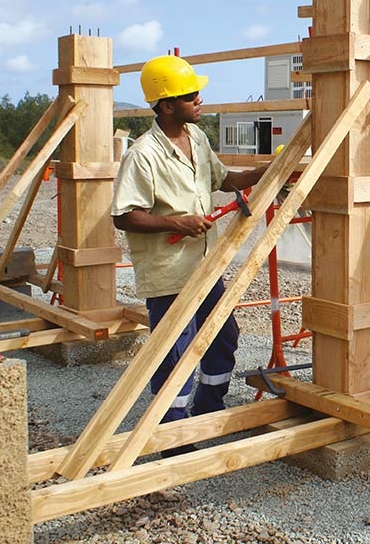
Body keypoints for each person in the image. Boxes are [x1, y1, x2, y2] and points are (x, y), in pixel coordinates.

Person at [111, 55, 267, 457]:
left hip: (204, 265)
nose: (200, 99)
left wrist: (261, 173)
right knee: (174, 352)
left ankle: (207, 412)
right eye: (191, 95)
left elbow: (221, 178)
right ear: (166, 106)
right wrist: (175, 223)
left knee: (223, 337)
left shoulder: (196, 139)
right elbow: (124, 216)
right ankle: (172, 436)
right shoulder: (142, 155)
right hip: (168, 272)